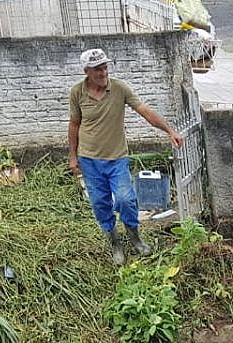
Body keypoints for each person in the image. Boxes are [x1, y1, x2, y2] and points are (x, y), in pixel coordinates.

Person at [68, 48, 184, 265]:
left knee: (125, 199)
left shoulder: (119, 89)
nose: (103, 73)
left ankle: (135, 238)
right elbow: (74, 125)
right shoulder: (77, 93)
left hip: (117, 158)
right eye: (97, 70)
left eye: (105, 68)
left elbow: (144, 111)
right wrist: (73, 157)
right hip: (89, 160)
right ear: (87, 72)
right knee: (100, 203)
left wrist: (169, 131)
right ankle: (115, 243)